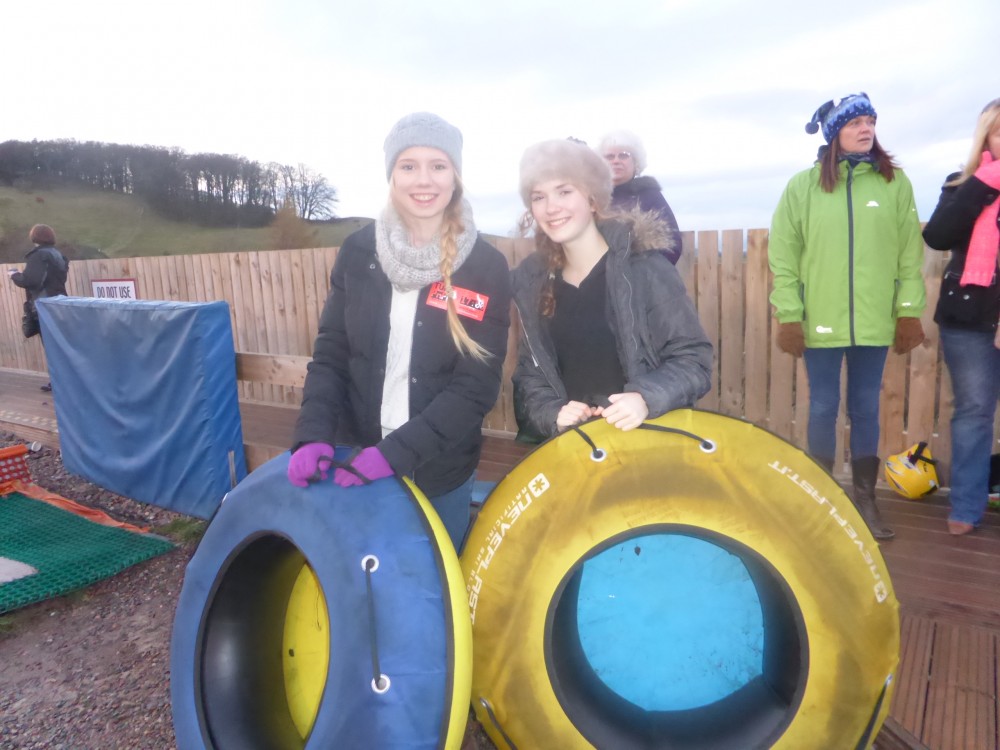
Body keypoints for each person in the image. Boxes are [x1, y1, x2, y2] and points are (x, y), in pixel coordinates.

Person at [286, 113, 512, 550]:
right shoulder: (357, 252)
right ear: (391, 173)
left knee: (434, 598)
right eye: (408, 165)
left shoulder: (485, 267)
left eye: (438, 165)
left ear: (455, 175)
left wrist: (394, 456)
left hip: (438, 471)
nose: (423, 180)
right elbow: (332, 353)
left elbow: (476, 386)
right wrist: (312, 434)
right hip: (354, 460)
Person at [768, 93, 927, 541]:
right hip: (819, 320)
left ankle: (864, 500)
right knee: (822, 406)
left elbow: (908, 255)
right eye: (856, 121)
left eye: (871, 121)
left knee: (864, 407)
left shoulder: (895, 184)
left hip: (875, 321)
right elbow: (784, 254)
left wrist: (908, 312)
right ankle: (821, 497)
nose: (866, 128)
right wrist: (790, 316)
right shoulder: (803, 186)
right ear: (835, 131)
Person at [511, 138, 712, 443]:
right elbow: (531, 374)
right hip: (574, 450)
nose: (551, 208)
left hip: (646, 446)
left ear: (593, 199)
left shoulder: (645, 269)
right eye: (539, 197)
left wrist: (645, 398)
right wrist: (553, 413)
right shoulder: (533, 282)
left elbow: (693, 360)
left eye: (564, 191)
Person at [921, 97, 1000, 536]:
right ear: (985, 136)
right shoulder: (960, 185)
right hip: (969, 320)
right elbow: (937, 236)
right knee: (972, 413)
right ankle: (967, 507)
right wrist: (983, 185)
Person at [597, 130, 682, 263]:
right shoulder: (592, 198)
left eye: (623, 155)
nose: (616, 161)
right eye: (610, 156)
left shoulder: (649, 195)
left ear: (635, 162)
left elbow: (672, 245)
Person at [8, 223, 69, 391]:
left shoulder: (38, 256)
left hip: (44, 306)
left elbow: (31, 281)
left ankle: (59, 384)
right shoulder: (58, 255)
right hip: (60, 304)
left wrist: (14, 275)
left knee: (50, 346)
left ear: (35, 237)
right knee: (59, 346)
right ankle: (63, 381)